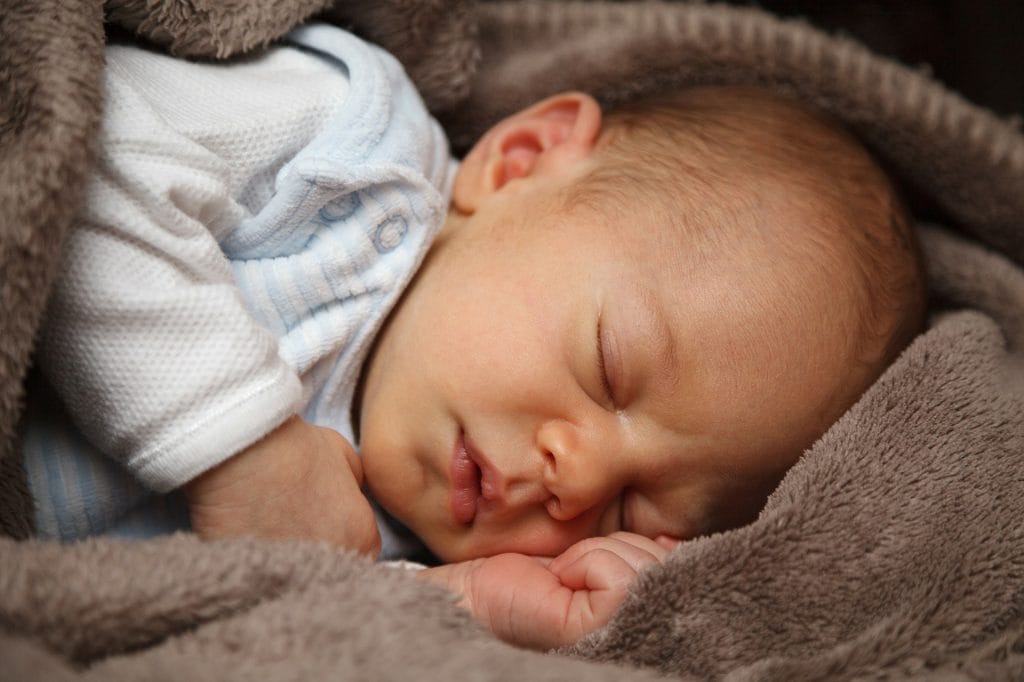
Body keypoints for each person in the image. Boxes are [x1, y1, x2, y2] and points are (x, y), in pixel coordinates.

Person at [21, 22, 925, 649]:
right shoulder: (348, 157)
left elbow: (263, 612)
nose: (578, 480)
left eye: (627, 512)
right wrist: (241, 450)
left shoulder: (405, 542)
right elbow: (88, 145)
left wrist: (463, 601)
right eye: (608, 371)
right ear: (521, 162)